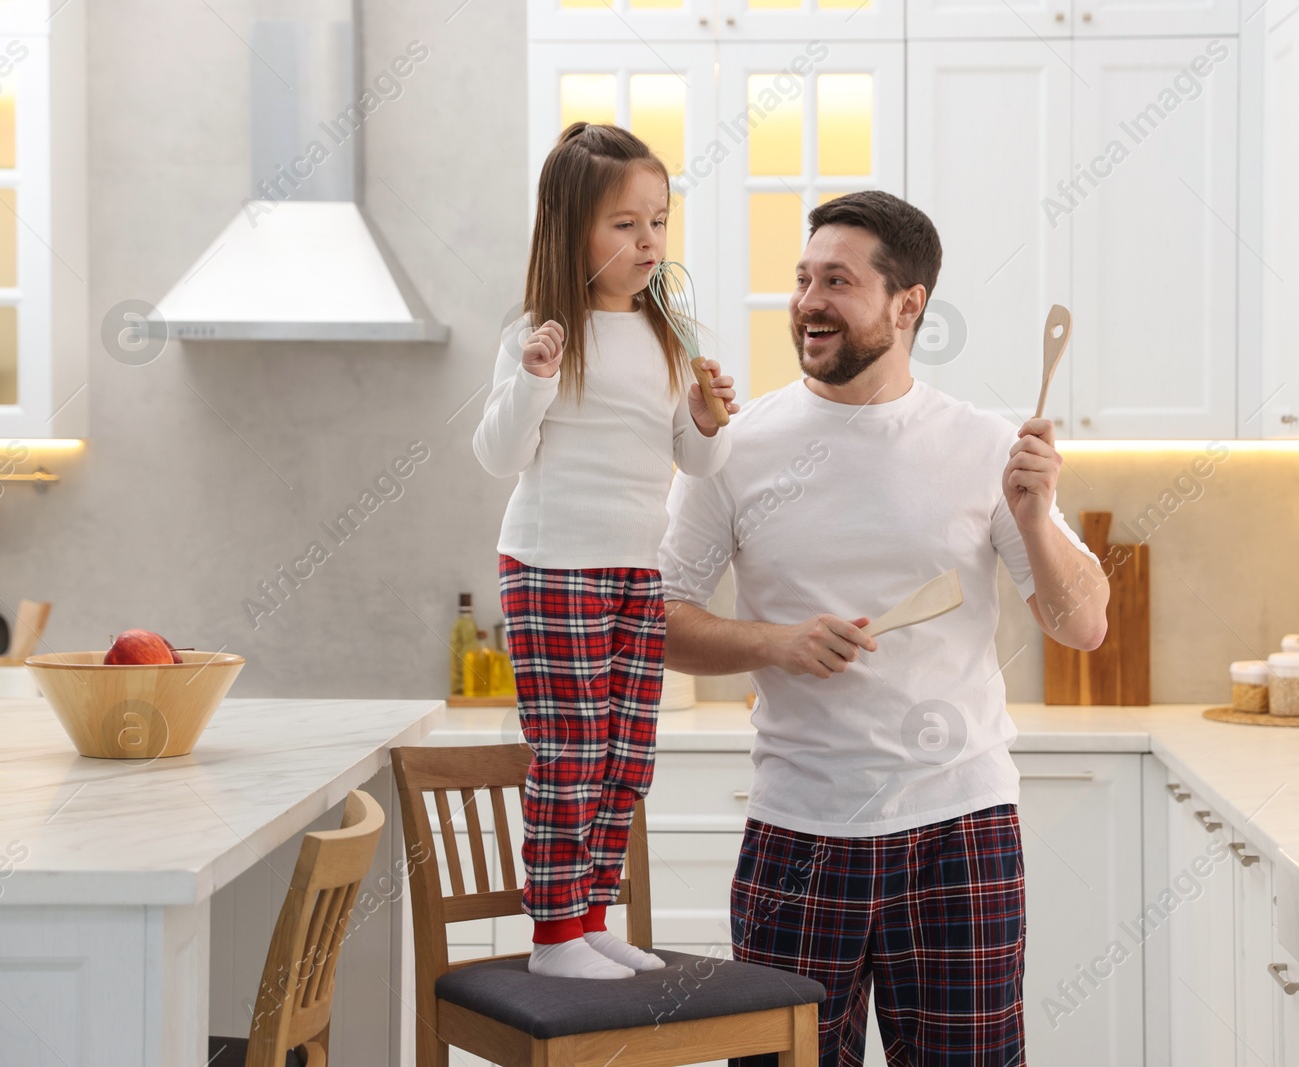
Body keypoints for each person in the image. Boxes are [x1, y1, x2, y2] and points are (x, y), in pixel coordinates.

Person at [658, 190, 1108, 1062]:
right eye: (802, 279)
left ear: (909, 305)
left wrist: (1039, 516)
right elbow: (661, 621)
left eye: (837, 280)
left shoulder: (985, 446)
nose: (808, 302)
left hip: (959, 831)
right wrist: (774, 642)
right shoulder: (734, 446)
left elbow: (1081, 623)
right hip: (797, 833)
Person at [473, 122, 739, 980]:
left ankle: (592, 917)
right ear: (570, 228)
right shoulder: (538, 333)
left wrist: (705, 421)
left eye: (658, 221)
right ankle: (553, 938)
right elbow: (497, 455)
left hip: (636, 568)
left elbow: (694, 461)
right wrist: (534, 377)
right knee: (573, 749)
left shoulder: (672, 334)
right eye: (625, 224)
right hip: (551, 565)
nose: (649, 242)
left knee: (626, 752)